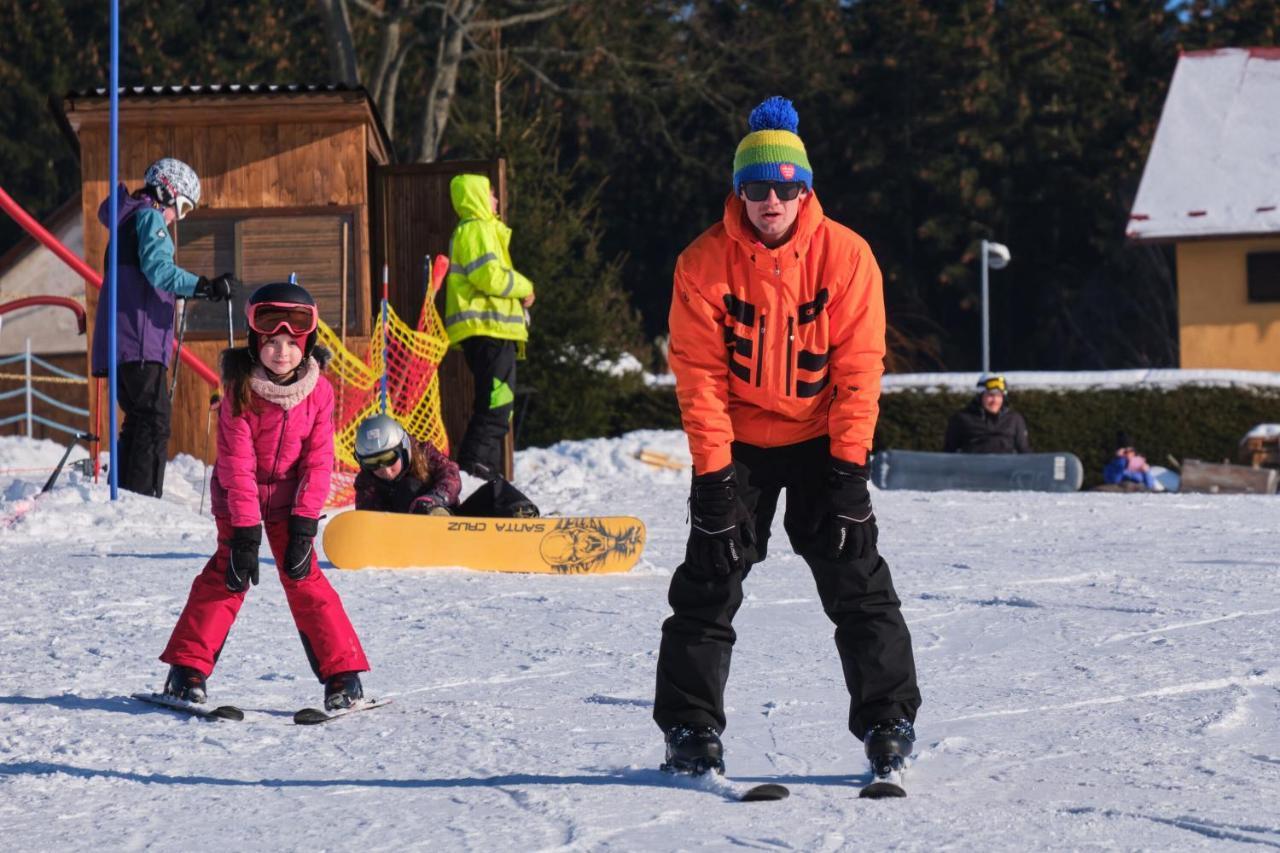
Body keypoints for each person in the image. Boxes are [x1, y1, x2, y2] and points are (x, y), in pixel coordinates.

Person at [657, 96, 921, 781]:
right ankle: (689, 725)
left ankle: (889, 716)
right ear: (738, 192)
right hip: (738, 441)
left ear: (805, 191)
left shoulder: (848, 257)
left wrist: (849, 473)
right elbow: (700, 378)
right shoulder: (702, 263)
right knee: (709, 578)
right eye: (756, 188)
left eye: (784, 187)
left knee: (855, 572)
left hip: (819, 436)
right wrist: (714, 481)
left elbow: (860, 370)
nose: (770, 201)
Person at [158, 282, 369, 711]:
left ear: (306, 344)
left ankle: (342, 677)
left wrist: (305, 524)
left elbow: (318, 461)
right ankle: (186, 672)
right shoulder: (239, 390)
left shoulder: (320, 393)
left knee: (305, 579)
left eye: (292, 342)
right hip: (241, 503)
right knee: (227, 577)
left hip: (292, 505)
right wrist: (244, 533)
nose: (282, 351)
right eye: (272, 342)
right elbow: (235, 465)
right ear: (256, 342)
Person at [91, 157, 239, 497]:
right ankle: (143, 496)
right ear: (165, 191)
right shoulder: (149, 217)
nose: (178, 218)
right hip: (139, 340)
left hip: (124, 342)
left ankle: (127, 493)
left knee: (140, 419)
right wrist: (205, 285)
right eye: (182, 207)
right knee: (154, 420)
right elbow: (159, 270)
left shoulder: (128, 221)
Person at [443, 173, 535, 480]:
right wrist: (524, 286)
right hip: (488, 330)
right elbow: (489, 276)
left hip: (492, 332)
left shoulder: (480, 230)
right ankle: (472, 472)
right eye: (491, 194)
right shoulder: (477, 229)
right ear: (478, 197)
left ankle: (486, 475)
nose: (496, 201)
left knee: (500, 407)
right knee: (495, 406)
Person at [352, 413, 539, 518]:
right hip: (405, 534)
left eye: (389, 458)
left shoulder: (425, 453)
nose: (384, 469)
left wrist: (434, 500)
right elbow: (368, 517)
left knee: (496, 489)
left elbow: (451, 475)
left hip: (448, 521)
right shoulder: (367, 482)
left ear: (404, 449)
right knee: (406, 488)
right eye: (373, 463)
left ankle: (524, 521)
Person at [943, 374, 1031, 454]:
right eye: (991, 395)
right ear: (980, 396)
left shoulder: (1014, 419)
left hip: (1006, 470)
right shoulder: (961, 419)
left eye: (999, 396)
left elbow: (1024, 451)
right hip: (974, 469)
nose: (995, 400)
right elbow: (949, 453)